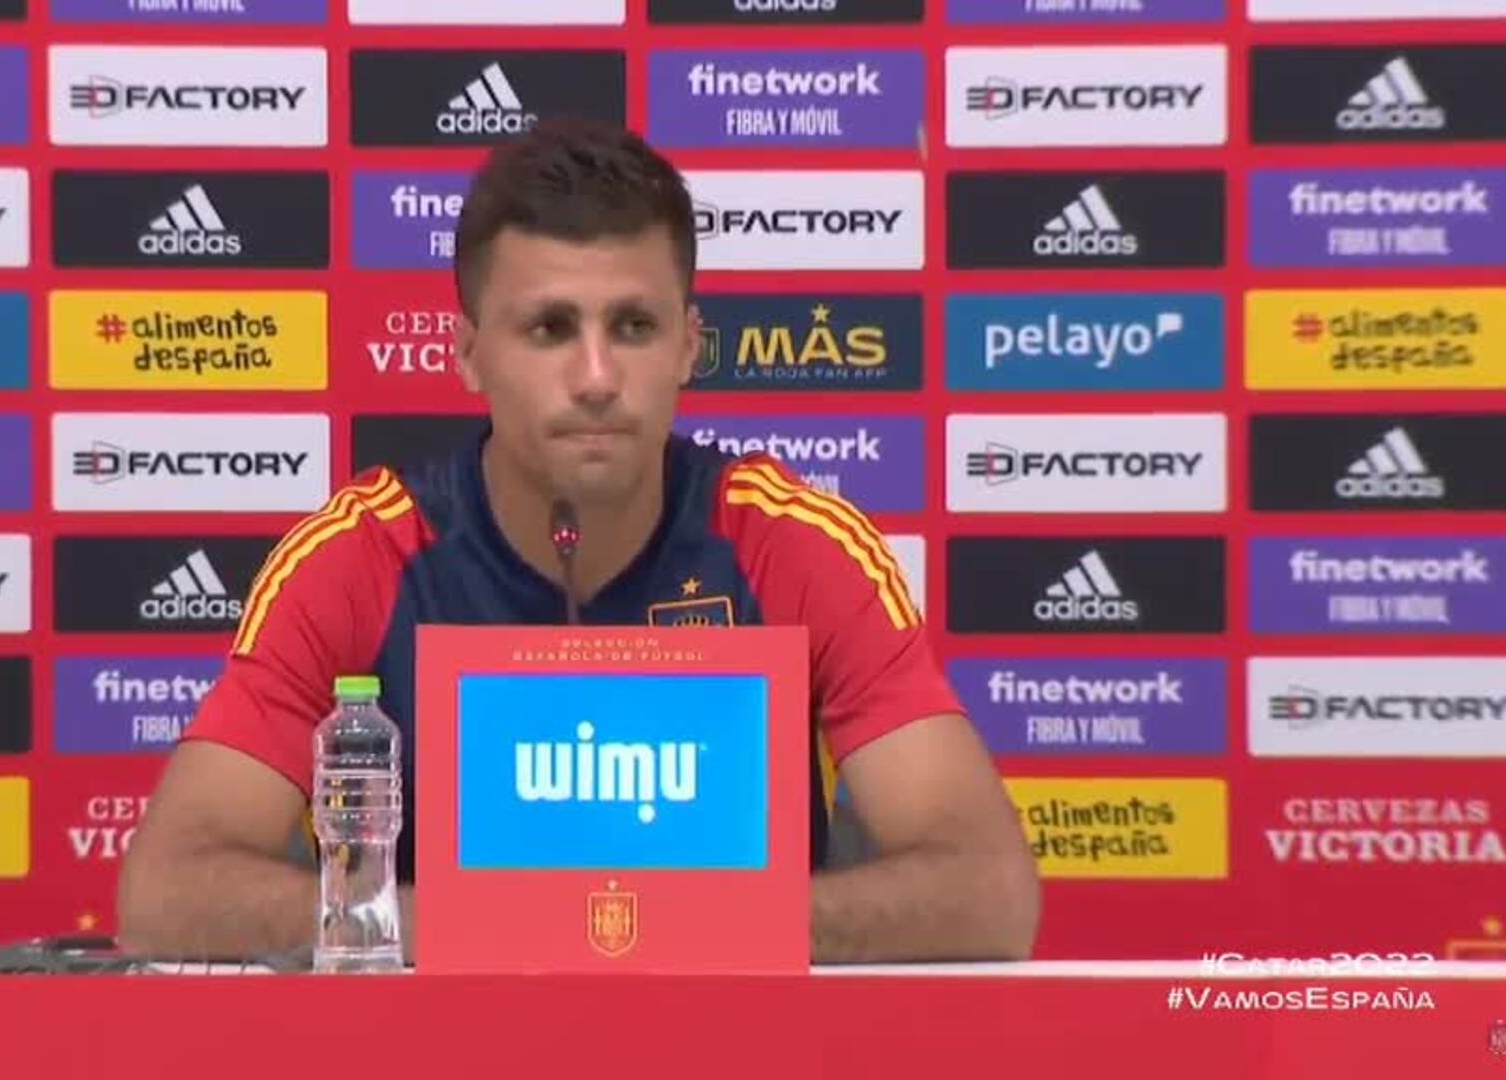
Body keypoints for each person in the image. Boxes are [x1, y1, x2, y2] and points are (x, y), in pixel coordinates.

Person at [117, 118, 1040, 965]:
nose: (596, 378)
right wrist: (474, 924)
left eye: (633, 327)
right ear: (469, 353)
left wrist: (684, 925)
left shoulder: (791, 545)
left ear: (688, 346)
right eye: (550, 328)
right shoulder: (362, 556)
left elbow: (988, 891)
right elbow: (166, 891)